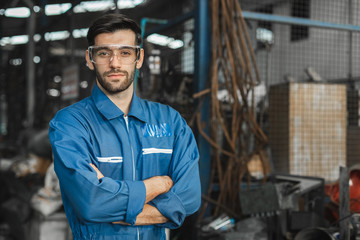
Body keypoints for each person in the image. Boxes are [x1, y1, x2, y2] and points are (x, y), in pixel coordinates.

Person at [49, 13, 201, 240]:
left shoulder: (170, 121)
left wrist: (110, 203)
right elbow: (90, 204)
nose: (115, 63)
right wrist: (158, 185)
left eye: (125, 52)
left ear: (138, 58)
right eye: (104, 53)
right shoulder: (70, 124)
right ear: (90, 59)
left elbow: (189, 199)